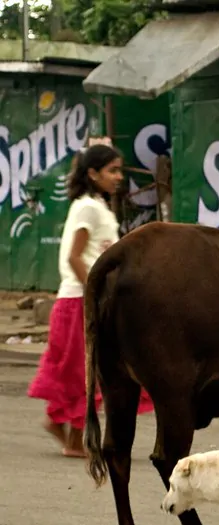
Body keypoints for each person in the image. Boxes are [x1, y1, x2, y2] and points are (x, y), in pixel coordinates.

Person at [28, 143, 154, 458]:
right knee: (87, 372)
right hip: (78, 301)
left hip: (83, 301)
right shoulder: (87, 207)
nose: (119, 177)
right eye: (112, 171)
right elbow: (74, 257)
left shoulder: (95, 206)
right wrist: (95, 292)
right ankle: (74, 440)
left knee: (89, 370)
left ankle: (65, 430)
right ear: (93, 173)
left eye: (119, 170)